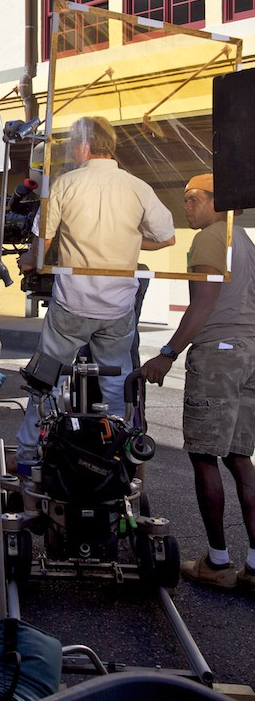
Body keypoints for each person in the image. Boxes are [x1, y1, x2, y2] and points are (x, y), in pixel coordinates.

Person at [14, 116, 175, 467]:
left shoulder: (65, 184)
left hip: (73, 303)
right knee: (116, 388)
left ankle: (27, 458)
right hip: (118, 307)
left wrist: (28, 260)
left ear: (85, 145)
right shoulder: (137, 187)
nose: (71, 150)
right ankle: (119, 458)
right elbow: (167, 237)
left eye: (73, 143)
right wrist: (129, 244)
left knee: (47, 381)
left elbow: (43, 246)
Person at [142, 174, 255, 594]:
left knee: (205, 457)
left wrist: (166, 354)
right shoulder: (244, 241)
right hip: (248, 354)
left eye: (193, 199)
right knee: (240, 458)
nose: (186, 207)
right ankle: (254, 567)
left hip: (219, 356)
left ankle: (218, 562)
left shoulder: (210, 237)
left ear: (217, 203)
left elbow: (202, 304)